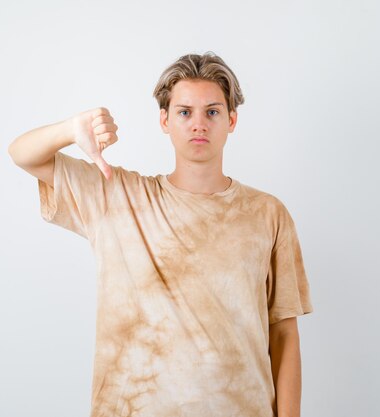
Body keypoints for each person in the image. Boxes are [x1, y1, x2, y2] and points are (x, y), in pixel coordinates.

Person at [8, 51, 314, 417]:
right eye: (185, 112)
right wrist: (70, 131)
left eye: (212, 111)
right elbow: (23, 155)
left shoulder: (267, 214)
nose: (198, 124)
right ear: (164, 120)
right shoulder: (117, 195)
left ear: (231, 120)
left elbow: (283, 332)